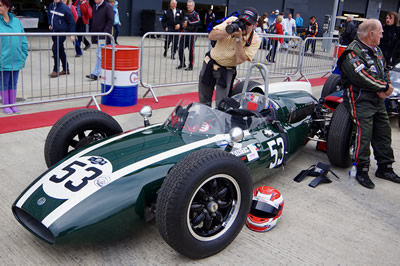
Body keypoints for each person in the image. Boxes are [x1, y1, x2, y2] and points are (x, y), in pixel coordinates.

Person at [337, 18, 400, 189]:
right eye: (380, 32)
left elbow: (384, 70)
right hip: (360, 99)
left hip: (377, 100)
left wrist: (386, 86)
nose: (382, 35)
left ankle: (385, 168)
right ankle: (361, 170)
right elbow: (361, 77)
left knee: (384, 133)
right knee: (363, 135)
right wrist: (385, 87)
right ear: (371, 34)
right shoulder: (352, 53)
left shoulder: (377, 50)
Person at [198, 7, 261, 107]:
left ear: (255, 25)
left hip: (226, 71)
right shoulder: (231, 21)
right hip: (209, 64)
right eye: (242, 21)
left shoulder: (255, 40)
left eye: (248, 23)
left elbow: (240, 59)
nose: (243, 25)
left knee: (222, 104)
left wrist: (238, 39)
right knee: (204, 99)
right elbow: (211, 36)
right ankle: (204, 119)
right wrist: (228, 31)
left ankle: (220, 121)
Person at [0, 0, 28, 114]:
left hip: (16, 58)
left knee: (13, 82)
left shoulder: (16, 22)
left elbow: (23, 38)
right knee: (4, 83)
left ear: (7, 7)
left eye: (0, 6)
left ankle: (12, 104)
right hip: (3, 59)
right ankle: (6, 104)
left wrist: (24, 53)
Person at [85, 0, 114, 81]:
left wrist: (105, 32)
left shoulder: (107, 6)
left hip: (103, 35)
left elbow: (111, 19)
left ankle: (96, 73)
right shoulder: (95, 6)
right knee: (103, 53)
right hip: (97, 34)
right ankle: (103, 72)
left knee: (100, 53)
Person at [48, 0, 76, 78]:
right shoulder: (51, 6)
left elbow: (71, 22)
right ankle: (65, 69)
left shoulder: (64, 8)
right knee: (60, 50)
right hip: (54, 32)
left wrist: (72, 34)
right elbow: (49, 15)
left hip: (62, 32)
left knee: (55, 48)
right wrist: (50, 23)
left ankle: (56, 70)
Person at [176, 0, 200, 71]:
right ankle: (182, 63)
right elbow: (184, 25)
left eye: (190, 5)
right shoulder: (186, 15)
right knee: (180, 48)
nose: (188, 7)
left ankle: (191, 65)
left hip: (192, 34)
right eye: (188, 5)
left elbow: (198, 22)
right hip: (185, 34)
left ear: (193, 6)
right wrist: (181, 32)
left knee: (191, 50)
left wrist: (189, 23)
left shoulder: (196, 14)